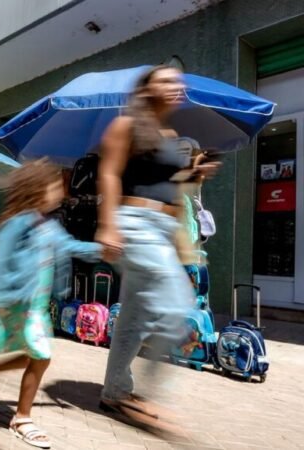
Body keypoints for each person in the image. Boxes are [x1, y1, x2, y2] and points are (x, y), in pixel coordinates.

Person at [95, 65, 220, 427]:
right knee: (177, 304)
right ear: (146, 89)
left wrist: (194, 175)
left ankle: (115, 393)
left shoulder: (168, 134)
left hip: (163, 228)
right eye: (165, 80)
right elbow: (109, 172)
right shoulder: (126, 125)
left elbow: (172, 189)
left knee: (132, 318)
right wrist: (107, 225)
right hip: (136, 225)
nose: (175, 86)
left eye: (177, 81)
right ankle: (148, 394)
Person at [0, 159, 101, 449]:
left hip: (38, 307)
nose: (60, 192)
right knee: (41, 356)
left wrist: (102, 249)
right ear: (37, 191)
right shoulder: (20, 223)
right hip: (18, 303)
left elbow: (70, 247)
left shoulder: (49, 227)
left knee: (32, 356)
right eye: (55, 187)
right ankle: (22, 418)